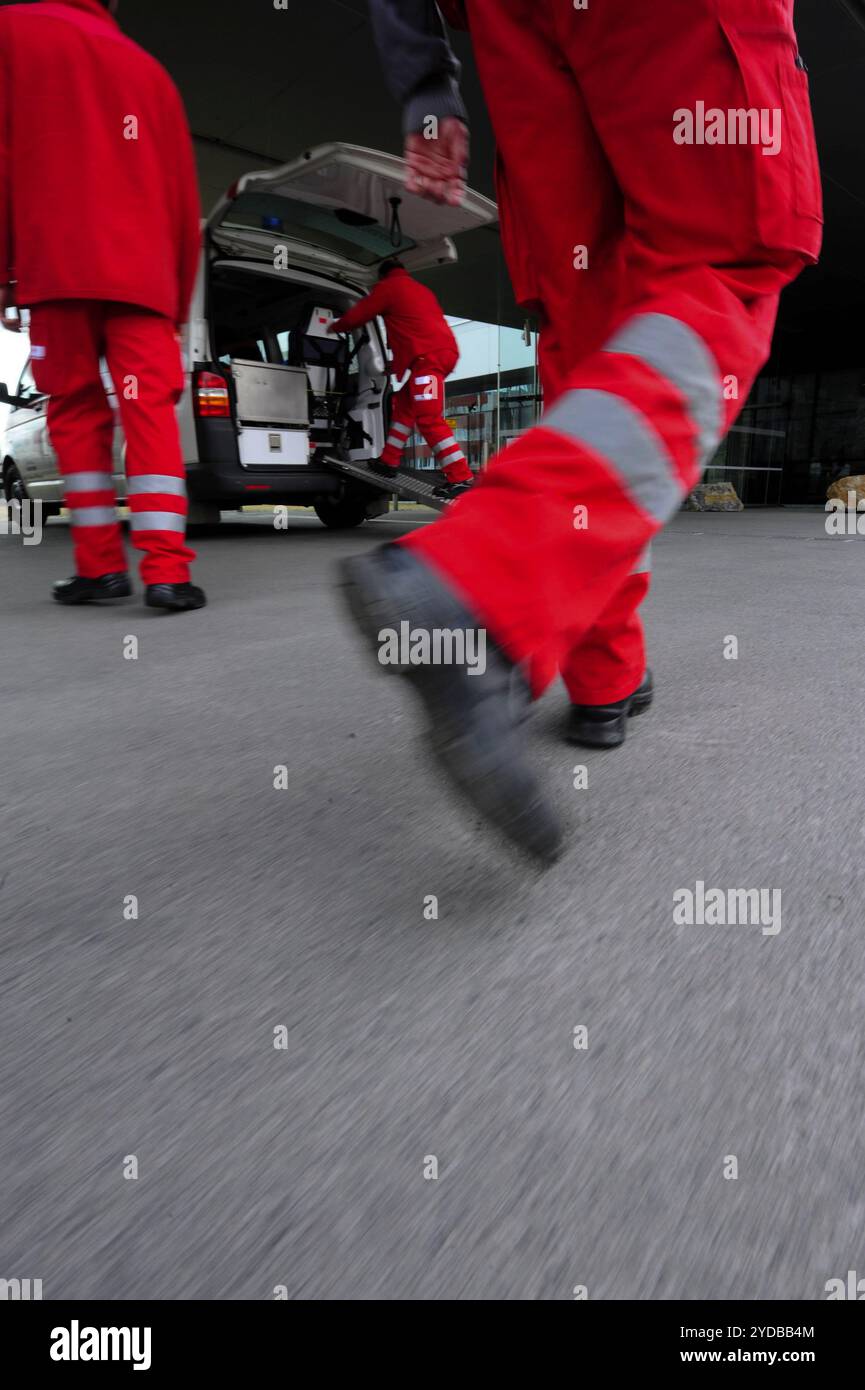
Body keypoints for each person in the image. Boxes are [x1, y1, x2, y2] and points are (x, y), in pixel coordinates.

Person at [340, 0, 823, 862]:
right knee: (723, 269)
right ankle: (479, 592)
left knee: (597, 351)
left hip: (512, 28)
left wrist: (427, 89)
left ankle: (602, 677)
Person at [0, 0, 206, 610]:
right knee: (148, 415)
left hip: (55, 266)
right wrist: (175, 300)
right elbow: (182, 197)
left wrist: (7, 269)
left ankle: (99, 570)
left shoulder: (13, 29)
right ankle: (168, 574)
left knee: (73, 411)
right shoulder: (151, 71)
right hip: (142, 280)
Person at [328, 257, 474, 500]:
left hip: (428, 360)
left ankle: (460, 478)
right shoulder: (421, 290)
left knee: (429, 418)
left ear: (382, 275)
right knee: (404, 407)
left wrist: (332, 328)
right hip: (436, 356)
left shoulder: (388, 288)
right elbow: (416, 329)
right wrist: (395, 365)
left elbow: (359, 315)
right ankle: (388, 460)